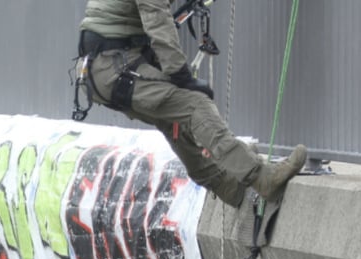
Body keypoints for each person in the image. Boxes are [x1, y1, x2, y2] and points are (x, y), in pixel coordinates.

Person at [76, 0, 307, 207]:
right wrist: (180, 74)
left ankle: (226, 183)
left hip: (104, 68)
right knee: (195, 104)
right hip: (115, 67)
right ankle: (260, 177)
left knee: (172, 117)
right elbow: (157, 22)